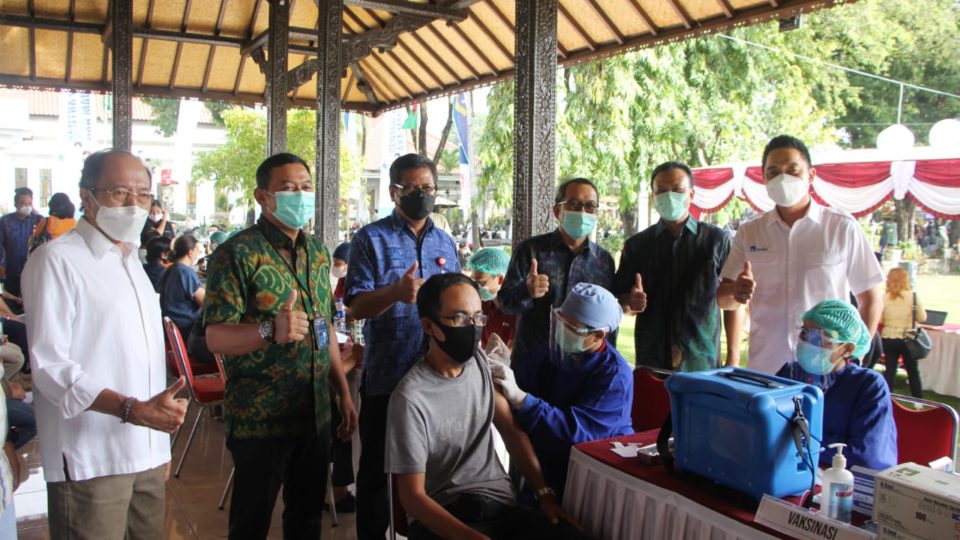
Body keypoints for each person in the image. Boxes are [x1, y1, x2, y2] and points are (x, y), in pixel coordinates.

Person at [22, 148, 189, 538]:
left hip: (144, 452)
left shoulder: (131, 261)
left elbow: (140, 358)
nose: (134, 204)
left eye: (143, 195)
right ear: (87, 195)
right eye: (119, 192)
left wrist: (155, 448)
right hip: (89, 459)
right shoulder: (56, 261)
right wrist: (131, 410)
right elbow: (50, 367)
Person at [205, 152, 357, 539]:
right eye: (288, 189)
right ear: (263, 196)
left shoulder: (319, 253)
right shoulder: (237, 253)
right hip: (261, 416)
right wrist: (268, 331)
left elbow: (322, 330)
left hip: (314, 411)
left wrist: (342, 391)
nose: (300, 195)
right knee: (252, 520)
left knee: (306, 518)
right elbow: (215, 336)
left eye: (306, 187)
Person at [386, 273, 585, 540]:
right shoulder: (410, 398)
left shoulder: (478, 362)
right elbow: (412, 498)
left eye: (477, 317)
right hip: (445, 514)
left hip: (500, 507)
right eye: (459, 318)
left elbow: (511, 431)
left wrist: (544, 494)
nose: (472, 328)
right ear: (429, 326)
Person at [345, 153, 460, 540]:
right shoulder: (370, 239)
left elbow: (456, 301)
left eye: (427, 188)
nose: (421, 195)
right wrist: (395, 293)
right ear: (394, 191)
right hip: (388, 377)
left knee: (432, 470)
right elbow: (356, 307)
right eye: (412, 188)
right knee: (378, 472)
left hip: (436, 377)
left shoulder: (445, 240)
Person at [717, 135, 884, 374]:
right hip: (767, 366)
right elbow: (724, 299)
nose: (783, 178)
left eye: (792, 171)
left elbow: (871, 297)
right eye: (773, 172)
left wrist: (854, 356)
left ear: (811, 176)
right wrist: (736, 292)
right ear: (764, 178)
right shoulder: (750, 232)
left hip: (827, 366)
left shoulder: (840, 227)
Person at [491, 283, 633, 500]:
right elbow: (515, 392)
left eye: (572, 328)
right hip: (544, 459)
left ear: (599, 335)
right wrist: (505, 369)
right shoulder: (548, 354)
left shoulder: (614, 376)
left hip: (592, 469)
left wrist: (523, 400)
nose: (563, 331)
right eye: (561, 321)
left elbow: (579, 435)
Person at [615, 161, 742, 371]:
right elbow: (620, 302)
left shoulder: (717, 241)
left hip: (701, 363)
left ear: (691, 194)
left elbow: (732, 303)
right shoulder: (637, 246)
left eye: (677, 190)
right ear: (654, 196)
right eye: (662, 191)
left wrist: (733, 360)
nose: (670, 196)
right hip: (651, 361)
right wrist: (630, 301)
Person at [498, 178, 616, 363]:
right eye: (574, 205)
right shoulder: (531, 251)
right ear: (557, 211)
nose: (582, 212)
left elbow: (606, 319)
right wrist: (526, 290)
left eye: (590, 206)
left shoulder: (603, 261)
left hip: (583, 366)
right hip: (534, 363)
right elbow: (505, 303)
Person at [776, 299, 897, 471]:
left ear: (847, 349)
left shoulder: (868, 386)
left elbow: (867, 456)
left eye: (821, 338)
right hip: (792, 474)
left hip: (843, 485)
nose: (809, 342)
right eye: (804, 333)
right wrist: (834, 440)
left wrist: (799, 440)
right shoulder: (790, 374)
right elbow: (767, 429)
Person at [159, 234, 214, 365]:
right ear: (190, 252)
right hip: (188, 334)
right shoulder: (185, 272)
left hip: (175, 331)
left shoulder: (167, 271)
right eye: (197, 251)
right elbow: (208, 303)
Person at [880, 268, 926, 397]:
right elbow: (922, 317)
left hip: (889, 336)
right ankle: (918, 400)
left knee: (890, 370)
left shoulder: (884, 298)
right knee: (912, 371)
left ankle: (887, 396)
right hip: (908, 337)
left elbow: (880, 319)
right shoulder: (913, 296)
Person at [0, 187, 43, 308]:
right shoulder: (5, 221)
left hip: (31, 271)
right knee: (12, 306)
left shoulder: (37, 220)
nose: (27, 206)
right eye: (23, 203)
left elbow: (46, 240)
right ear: (15, 204)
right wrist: (1, 263)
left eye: (29, 203)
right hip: (11, 271)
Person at [468, 247, 516, 348]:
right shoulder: (483, 304)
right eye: (473, 281)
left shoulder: (515, 311)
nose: (476, 287)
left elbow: (512, 351)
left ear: (500, 279)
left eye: (481, 282)